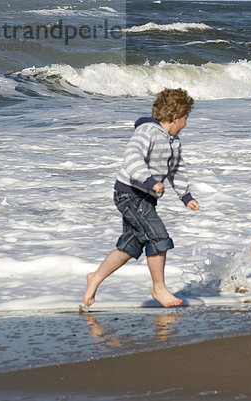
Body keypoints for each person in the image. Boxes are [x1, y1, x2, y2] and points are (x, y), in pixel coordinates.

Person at [84, 88, 200, 308]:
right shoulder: (146, 132)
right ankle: (159, 288)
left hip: (144, 199)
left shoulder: (174, 141)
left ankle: (95, 278)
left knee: (130, 245)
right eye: (185, 118)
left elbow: (176, 169)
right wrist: (150, 181)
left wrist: (185, 195)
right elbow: (132, 158)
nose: (186, 123)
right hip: (130, 194)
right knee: (158, 238)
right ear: (175, 117)